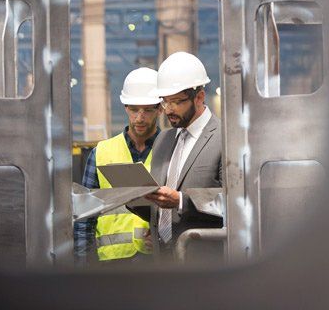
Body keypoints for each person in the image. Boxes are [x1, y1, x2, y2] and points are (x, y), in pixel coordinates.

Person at [74, 67, 162, 265]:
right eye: (134, 109)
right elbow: (84, 216)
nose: (140, 118)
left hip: (157, 262)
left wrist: (163, 238)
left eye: (147, 110)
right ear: (125, 107)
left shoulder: (173, 150)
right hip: (110, 265)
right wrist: (82, 266)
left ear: (160, 108)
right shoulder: (102, 152)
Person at [142, 52, 222, 254]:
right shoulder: (163, 139)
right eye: (165, 102)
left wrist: (180, 201)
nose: (168, 110)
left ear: (200, 97)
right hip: (162, 257)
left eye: (176, 101)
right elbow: (159, 201)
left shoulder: (226, 138)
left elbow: (235, 202)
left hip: (203, 260)